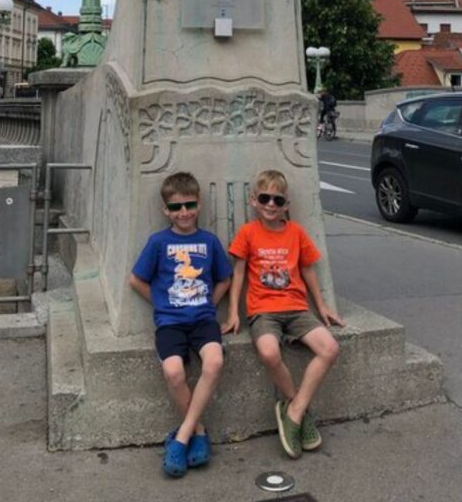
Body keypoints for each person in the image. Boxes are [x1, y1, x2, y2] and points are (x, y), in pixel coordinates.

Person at [222, 169, 344, 459]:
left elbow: (308, 269)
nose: (271, 205)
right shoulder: (248, 233)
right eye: (265, 198)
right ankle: (295, 404)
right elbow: (237, 273)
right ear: (254, 200)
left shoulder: (296, 232)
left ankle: (294, 412)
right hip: (263, 311)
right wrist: (232, 313)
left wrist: (322, 305)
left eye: (278, 200)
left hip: (297, 308)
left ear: (286, 205)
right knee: (268, 352)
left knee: (330, 348)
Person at [129, 171, 232, 478]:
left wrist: (210, 304)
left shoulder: (209, 242)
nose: (183, 212)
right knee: (174, 371)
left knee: (213, 362)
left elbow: (225, 278)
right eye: (176, 207)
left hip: (203, 320)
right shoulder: (159, 243)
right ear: (166, 211)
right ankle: (198, 431)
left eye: (189, 205)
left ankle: (181, 438)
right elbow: (136, 279)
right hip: (170, 323)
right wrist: (161, 303)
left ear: (198, 205)